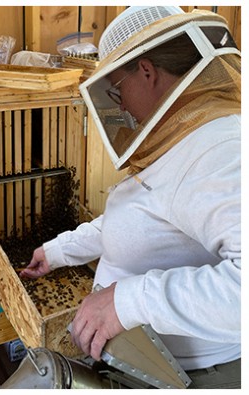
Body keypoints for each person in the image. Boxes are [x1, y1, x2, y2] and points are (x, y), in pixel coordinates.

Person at [19, 6, 240, 388]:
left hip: (184, 374)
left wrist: (129, 302)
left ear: (147, 71)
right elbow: (143, 221)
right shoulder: (183, 135)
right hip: (141, 357)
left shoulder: (221, 148)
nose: (118, 105)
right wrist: (59, 251)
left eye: (117, 88)